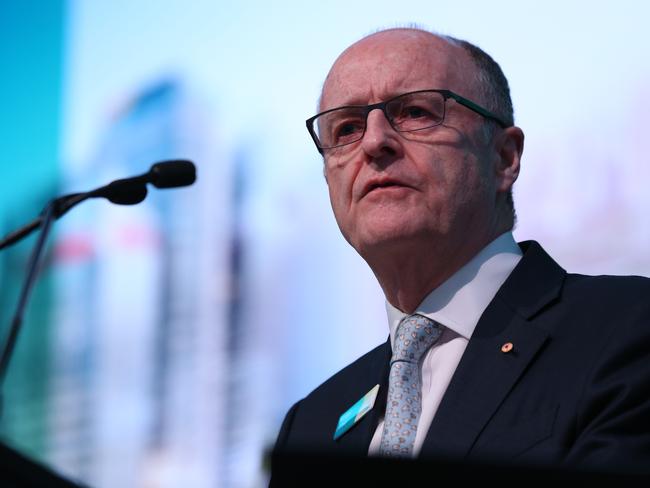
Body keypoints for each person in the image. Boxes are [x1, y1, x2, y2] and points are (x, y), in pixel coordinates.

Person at [271, 27, 650, 477]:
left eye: (414, 112)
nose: (374, 143)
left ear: (505, 157)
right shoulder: (310, 423)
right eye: (347, 128)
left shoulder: (627, 328)